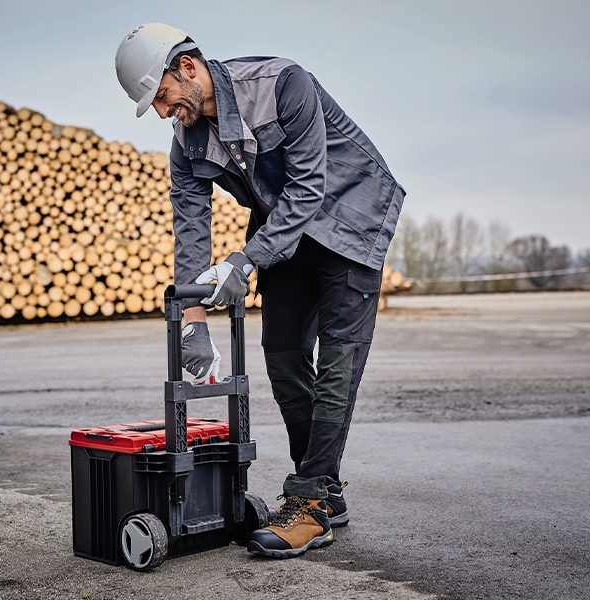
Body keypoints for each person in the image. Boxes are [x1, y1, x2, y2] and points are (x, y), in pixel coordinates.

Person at [115, 23, 405, 559]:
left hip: (350, 216)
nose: (161, 112)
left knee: (338, 365)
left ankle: (312, 502)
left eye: (161, 96)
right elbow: (191, 228)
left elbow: (309, 186)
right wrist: (193, 322)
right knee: (283, 355)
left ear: (187, 67)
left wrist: (245, 260)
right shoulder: (186, 143)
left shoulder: (281, 84)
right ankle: (325, 491)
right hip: (285, 230)